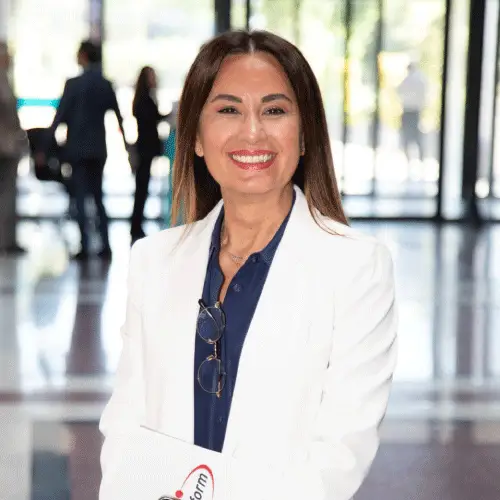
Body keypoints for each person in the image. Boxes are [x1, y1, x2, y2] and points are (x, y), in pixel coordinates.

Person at [99, 31, 398, 500]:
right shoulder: (153, 261)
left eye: (274, 111)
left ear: (305, 135)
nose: (253, 132)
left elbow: (338, 456)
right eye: (228, 110)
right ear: (196, 138)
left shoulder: (357, 269)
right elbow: (125, 428)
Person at [38, 40, 128, 260]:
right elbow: (118, 116)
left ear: (84, 56)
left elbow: (59, 117)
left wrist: (43, 147)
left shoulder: (73, 85)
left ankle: (85, 245)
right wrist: (127, 146)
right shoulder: (105, 84)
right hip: (98, 149)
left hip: (77, 149)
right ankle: (105, 245)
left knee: (79, 197)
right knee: (98, 196)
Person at [130, 66, 171, 243]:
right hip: (145, 149)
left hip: (145, 148)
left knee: (142, 187)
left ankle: (136, 224)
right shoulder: (144, 99)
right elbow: (152, 119)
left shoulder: (143, 98)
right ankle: (136, 225)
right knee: (142, 187)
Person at [0, 41, 27, 254]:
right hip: (4, 145)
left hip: (9, 146)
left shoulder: (6, 78)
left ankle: (8, 239)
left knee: (9, 194)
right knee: (7, 193)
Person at [397, 62, 427, 163]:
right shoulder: (420, 80)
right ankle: (420, 158)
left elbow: (399, 91)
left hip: (408, 110)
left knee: (406, 135)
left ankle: (408, 159)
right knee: (417, 136)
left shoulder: (407, 80)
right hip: (416, 110)